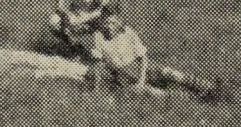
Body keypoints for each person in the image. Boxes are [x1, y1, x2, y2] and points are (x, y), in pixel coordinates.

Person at [85, 11, 219, 99]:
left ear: (119, 23)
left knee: (170, 73)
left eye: (113, 22)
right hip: (122, 75)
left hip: (141, 67)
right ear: (101, 24)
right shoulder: (98, 37)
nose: (109, 26)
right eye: (106, 23)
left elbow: (142, 57)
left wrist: (141, 79)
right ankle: (195, 97)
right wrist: (96, 90)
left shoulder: (127, 32)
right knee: (155, 94)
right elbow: (97, 64)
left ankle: (208, 87)